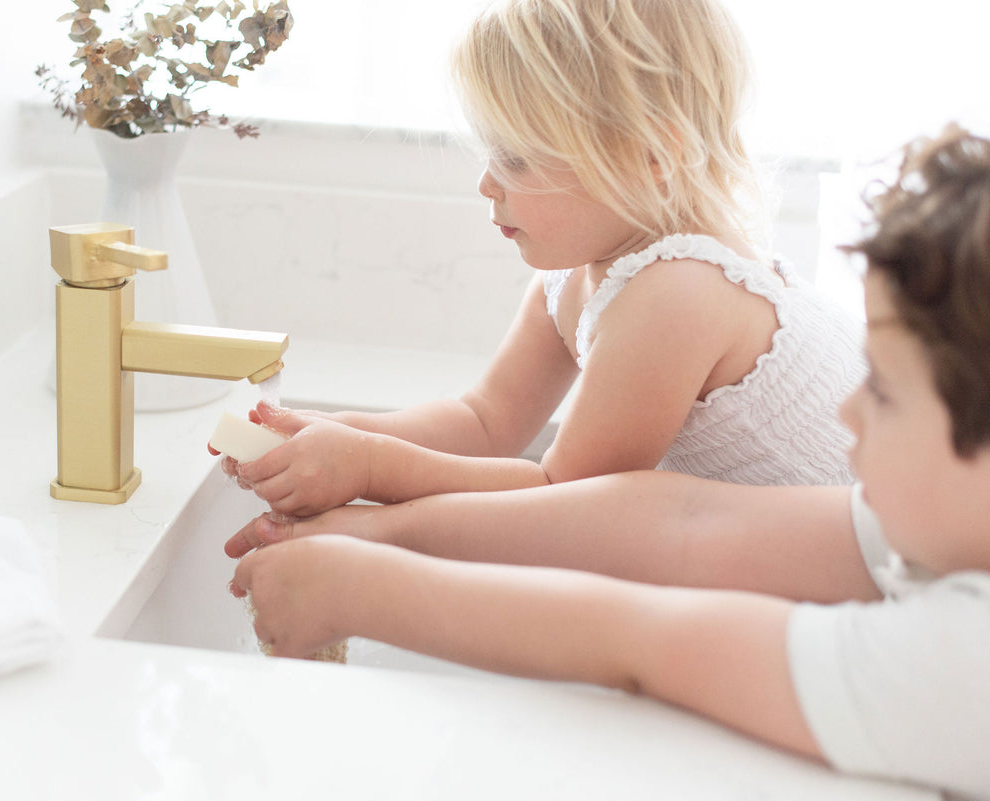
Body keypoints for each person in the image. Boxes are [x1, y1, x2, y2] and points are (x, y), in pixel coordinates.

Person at [230, 126, 990, 800]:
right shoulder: (940, 521)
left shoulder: (964, 663)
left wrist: (367, 584)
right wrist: (378, 535)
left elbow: (641, 640)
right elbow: (679, 520)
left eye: (883, 391)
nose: (849, 411)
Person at [210, 0, 865, 519]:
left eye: (516, 158)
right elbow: (485, 420)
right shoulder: (576, 275)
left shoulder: (679, 293)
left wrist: (370, 465)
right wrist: (333, 432)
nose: (486, 184)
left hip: (880, 569)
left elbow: (561, 500)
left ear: (651, 157)